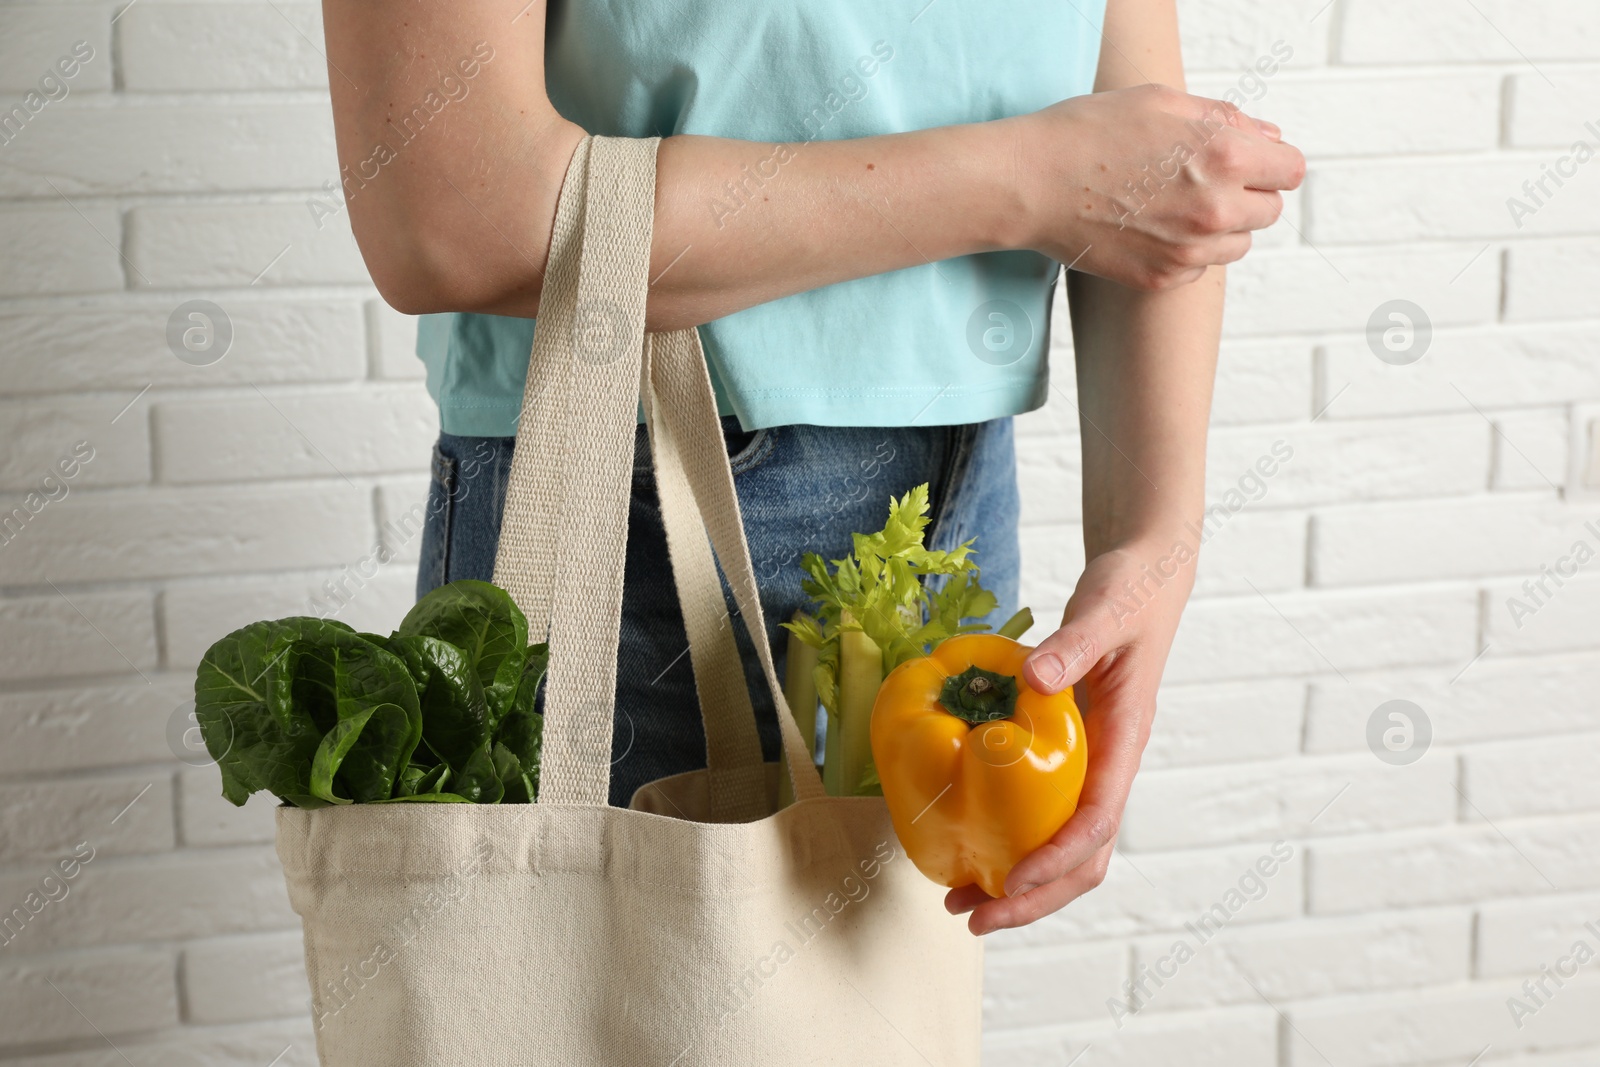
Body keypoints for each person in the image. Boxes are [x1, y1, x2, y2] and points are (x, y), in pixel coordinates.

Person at [320, 0, 1304, 936]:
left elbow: (1149, 149)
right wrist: (1035, 180)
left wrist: (1149, 536)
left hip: (959, 498)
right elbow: (450, 217)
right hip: (630, 505)